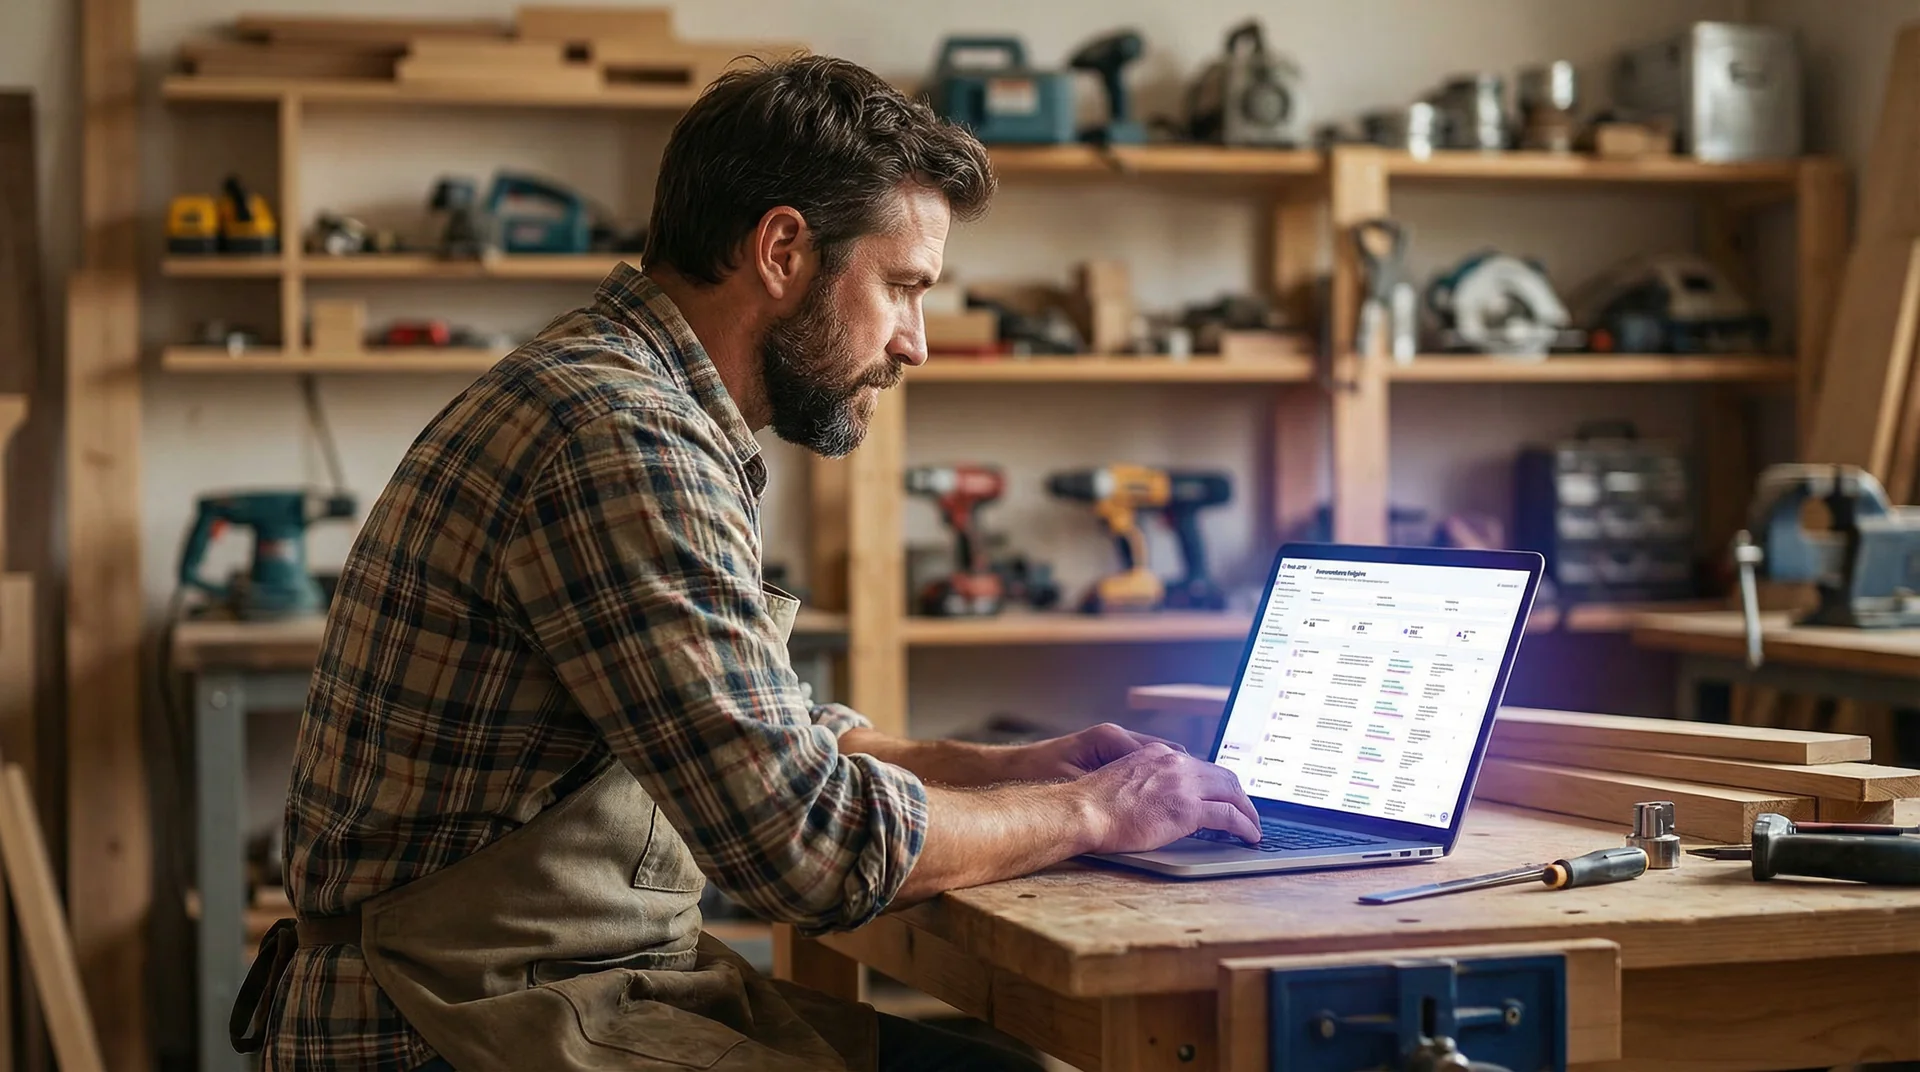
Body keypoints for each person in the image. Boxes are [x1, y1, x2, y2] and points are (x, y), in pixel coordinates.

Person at [235, 54, 1260, 1072]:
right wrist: (1095, 811)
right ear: (781, 251)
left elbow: (765, 738)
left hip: (549, 983)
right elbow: (807, 849)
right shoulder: (623, 436)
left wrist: (1011, 769)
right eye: (903, 288)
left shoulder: (631, 398)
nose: (916, 344)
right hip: (447, 1022)